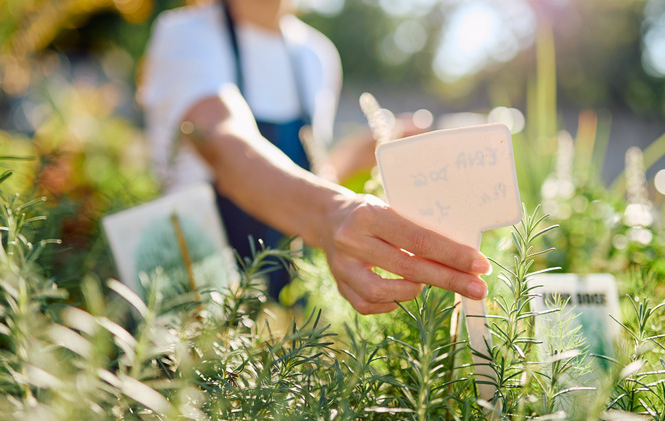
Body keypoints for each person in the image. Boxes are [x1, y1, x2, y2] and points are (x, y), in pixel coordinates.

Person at [139, 0, 491, 314]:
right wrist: (335, 212)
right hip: (193, 294)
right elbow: (223, 145)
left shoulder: (315, 55)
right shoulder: (186, 34)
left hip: (285, 300)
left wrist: (365, 149)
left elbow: (306, 179)